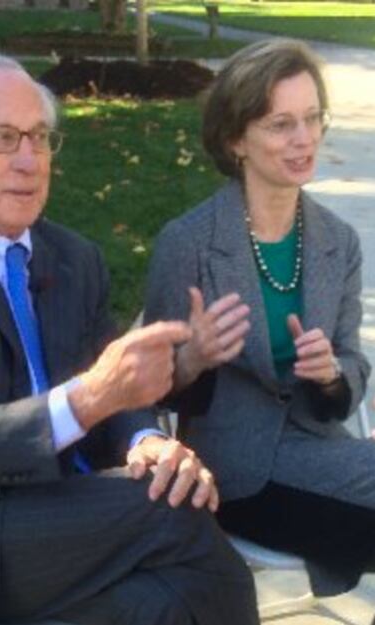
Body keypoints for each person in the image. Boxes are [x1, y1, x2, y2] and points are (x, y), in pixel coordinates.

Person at [0, 52, 259, 625]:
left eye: (39, 137)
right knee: (174, 518)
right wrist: (91, 396)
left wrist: (145, 441)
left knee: (167, 593)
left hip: (59, 520)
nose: (28, 160)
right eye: (2, 137)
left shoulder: (75, 259)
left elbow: (114, 397)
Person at [145, 38, 375, 599]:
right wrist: (191, 358)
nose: (304, 139)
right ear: (235, 139)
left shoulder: (337, 242)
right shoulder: (190, 243)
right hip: (233, 473)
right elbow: (148, 390)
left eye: (312, 118)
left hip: (324, 450)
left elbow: (351, 368)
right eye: (280, 125)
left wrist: (331, 375)